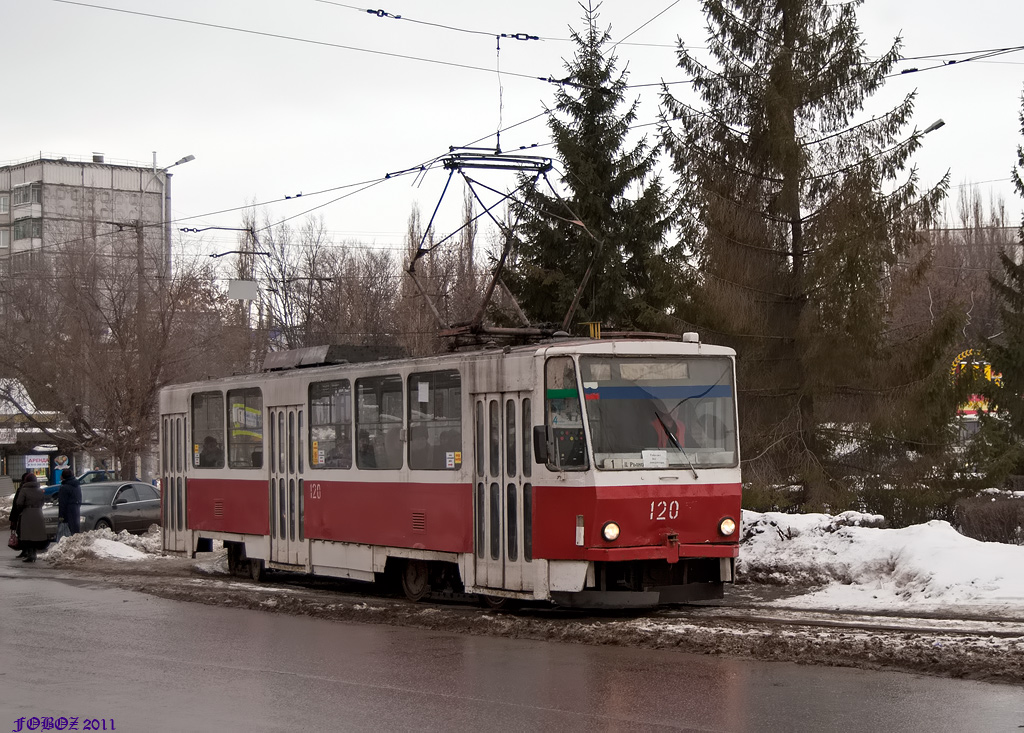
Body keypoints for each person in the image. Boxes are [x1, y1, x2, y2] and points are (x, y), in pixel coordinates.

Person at [12, 473, 46, 562]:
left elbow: (19, 503)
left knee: (28, 534)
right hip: (38, 513)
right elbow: (43, 502)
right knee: (36, 534)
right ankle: (34, 553)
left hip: (27, 513)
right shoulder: (40, 490)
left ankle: (30, 554)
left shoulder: (24, 490)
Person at [58, 470, 82, 536]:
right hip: (76, 511)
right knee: (75, 531)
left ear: (63, 476)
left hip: (67, 512)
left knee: (66, 533)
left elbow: (62, 503)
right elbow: (79, 499)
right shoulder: (77, 486)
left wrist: (61, 517)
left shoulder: (64, 488)